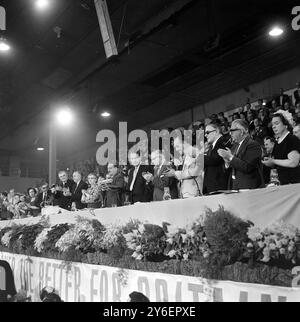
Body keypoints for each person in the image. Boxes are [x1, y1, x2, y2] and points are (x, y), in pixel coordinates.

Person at [218, 119, 264, 190]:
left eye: (232, 131)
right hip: (235, 186)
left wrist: (230, 157)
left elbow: (247, 167)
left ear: (242, 131)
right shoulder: (234, 147)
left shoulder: (253, 144)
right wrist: (227, 163)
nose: (230, 133)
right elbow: (231, 167)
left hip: (248, 187)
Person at [262, 111, 300, 185]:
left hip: (294, 184)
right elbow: (279, 162)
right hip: (283, 183)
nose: (273, 126)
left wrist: (273, 161)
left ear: (286, 124)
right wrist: (270, 163)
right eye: (272, 124)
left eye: (277, 123)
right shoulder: (277, 142)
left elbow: (293, 162)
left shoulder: (292, 139)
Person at [164, 131, 203, 198]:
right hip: (187, 193)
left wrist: (174, 173)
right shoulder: (186, 155)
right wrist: (173, 173)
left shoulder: (193, 152)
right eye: (175, 147)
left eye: (177, 146)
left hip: (193, 194)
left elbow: (193, 172)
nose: (176, 149)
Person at [203, 123, 229, 194]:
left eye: (207, 132)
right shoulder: (212, 146)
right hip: (212, 186)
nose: (205, 135)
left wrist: (198, 156)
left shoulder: (223, 141)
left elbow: (215, 160)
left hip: (219, 186)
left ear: (216, 131)